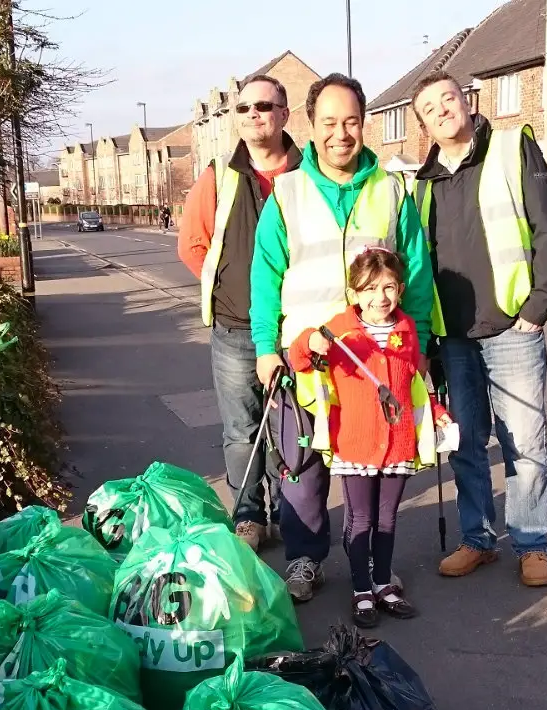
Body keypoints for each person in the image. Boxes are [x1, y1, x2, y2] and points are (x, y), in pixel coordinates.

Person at [251, 72, 433, 602]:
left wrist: (417, 348)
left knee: (373, 468)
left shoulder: (391, 189)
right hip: (305, 359)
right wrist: (267, 348)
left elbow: (416, 275)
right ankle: (306, 562)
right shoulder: (287, 190)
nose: (341, 133)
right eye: (329, 122)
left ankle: (374, 572)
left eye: (351, 121)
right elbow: (266, 275)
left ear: (364, 123)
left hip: (373, 365)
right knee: (302, 467)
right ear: (312, 124)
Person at [412, 73, 547, 587]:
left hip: (511, 327)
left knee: (523, 439)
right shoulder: (424, 182)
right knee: (465, 442)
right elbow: (421, 263)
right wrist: (426, 338)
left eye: (448, 99)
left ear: (465, 101)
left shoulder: (509, 148)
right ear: (424, 124)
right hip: (452, 336)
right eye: (430, 108)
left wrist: (538, 306)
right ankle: (477, 538)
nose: (442, 111)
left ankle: (530, 542)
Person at [178, 74, 303, 551]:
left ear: (285, 114)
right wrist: (230, 284)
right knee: (240, 432)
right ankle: (249, 517)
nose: (254, 114)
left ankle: (291, 516)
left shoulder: (306, 173)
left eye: (264, 106)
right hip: (235, 328)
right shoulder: (219, 174)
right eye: (244, 107)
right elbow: (193, 245)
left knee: (290, 432)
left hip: (294, 330)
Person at [289, 247, 420, 626]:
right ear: (355, 292)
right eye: (370, 289)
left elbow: (411, 384)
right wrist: (309, 340)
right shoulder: (340, 328)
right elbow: (300, 358)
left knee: (388, 519)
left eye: (389, 287)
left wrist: (438, 414)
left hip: (397, 442)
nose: (380, 297)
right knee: (360, 519)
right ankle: (361, 588)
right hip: (357, 443)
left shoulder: (406, 328)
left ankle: (383, 582)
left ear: (400, 289)